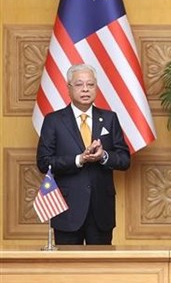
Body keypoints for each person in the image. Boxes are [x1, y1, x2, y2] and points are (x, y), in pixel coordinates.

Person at [36, 64, 130, 245]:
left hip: (101, 209)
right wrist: (79, 159)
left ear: (96, 87)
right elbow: (43, 162)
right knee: (67, 269)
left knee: (101, 269)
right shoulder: (53, 121)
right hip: (67, 209)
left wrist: (103, 157)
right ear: (69, 88)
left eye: (90, 84)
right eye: (79, 84)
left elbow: (125, 160)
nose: (85, 89)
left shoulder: (110, 118)